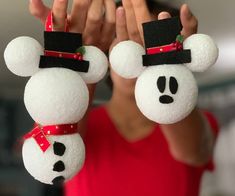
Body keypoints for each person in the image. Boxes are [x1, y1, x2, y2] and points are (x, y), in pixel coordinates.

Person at [29, 0, 218, 195]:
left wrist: (164, 65)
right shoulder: (82, 126)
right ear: (108, 54)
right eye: (124, 38)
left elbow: (194, 151)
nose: (139, 52)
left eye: (150, 43)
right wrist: (69, 67)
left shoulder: (200, 124)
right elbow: (47, 157)